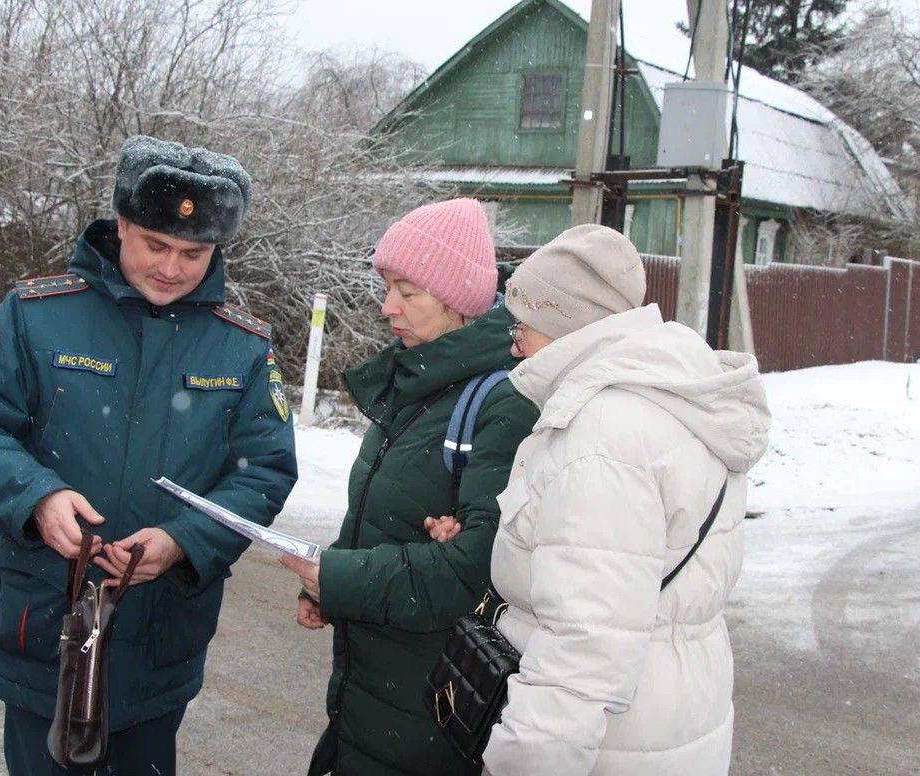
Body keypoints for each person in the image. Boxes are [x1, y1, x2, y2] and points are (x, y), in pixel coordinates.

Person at [0, 135, 298, 775]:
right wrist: (38, 497)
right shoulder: (37, 315)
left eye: (194, 252)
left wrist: (184, 541)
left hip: (158, 639)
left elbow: (262, 473)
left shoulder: (242, 346)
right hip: (46, 622)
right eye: (156, 244)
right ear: (121, 223)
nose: (173, 268)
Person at [430, 224, 771, 775]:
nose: (513, 342)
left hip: (609, 743)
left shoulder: (603, 434)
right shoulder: (672, 399)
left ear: (563, 323)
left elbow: (585, 643)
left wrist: (524, 763)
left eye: (523, 323)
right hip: (673, 709)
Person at [279, 198, 539, 776]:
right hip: (372, 693)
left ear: (459, 302)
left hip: (433, 711)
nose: (386, 306)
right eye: (387, 286)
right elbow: (381, 515)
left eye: (408, 291)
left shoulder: (503, 403)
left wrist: (342, 577)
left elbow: (476, 568)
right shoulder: (415, 382)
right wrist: (332, 585)